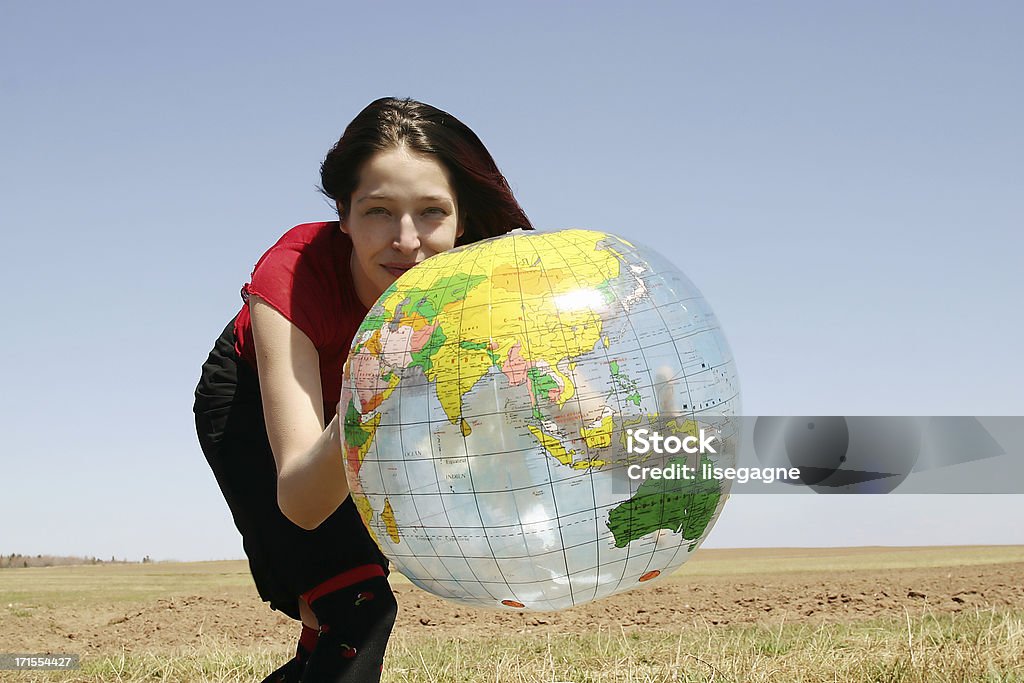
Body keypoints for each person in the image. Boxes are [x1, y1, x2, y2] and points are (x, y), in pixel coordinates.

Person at [193, 97, 533, 683]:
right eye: (378, 211)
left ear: (460, 220)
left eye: (431, 212)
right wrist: (369, 388)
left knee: (347, 607)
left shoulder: (474, 285)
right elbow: (302, 500)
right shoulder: (293, 274)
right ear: (343, 214)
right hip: (252, 405)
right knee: (358, 603)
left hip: (364, 416)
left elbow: (551, 399)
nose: (406, 241)